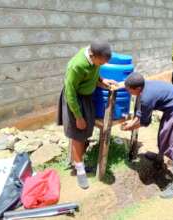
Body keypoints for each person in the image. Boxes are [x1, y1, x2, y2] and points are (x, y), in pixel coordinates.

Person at [121, 73, 173, 199]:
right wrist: (133, 122)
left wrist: (130, 127)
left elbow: (145, 122)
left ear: (137, 89)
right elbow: (140, 111)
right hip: (171, 108)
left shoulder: (146, 97)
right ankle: (159, 159)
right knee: (164, 135)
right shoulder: (144, 87)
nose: (127, 92)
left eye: (128, 90)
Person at [57, 40, 117, 189]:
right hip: (75, 100)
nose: (101, 65)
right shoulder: (76, 65)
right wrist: (77, 116)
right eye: (100, 62)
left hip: (87, 97)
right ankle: (79, 170)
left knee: (85, 132)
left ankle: (78, 162)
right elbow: (70, 92)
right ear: (92, 55)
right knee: (78, 134)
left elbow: (93, 74)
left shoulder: (95, 58)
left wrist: (103, 80)